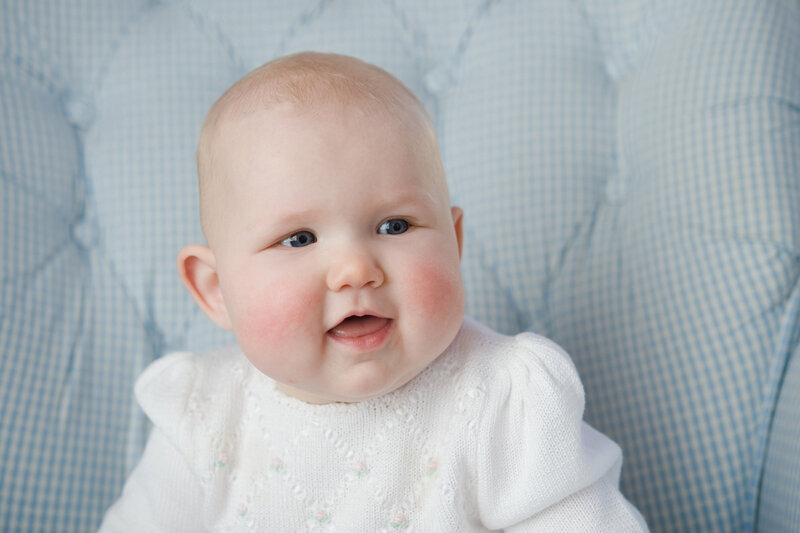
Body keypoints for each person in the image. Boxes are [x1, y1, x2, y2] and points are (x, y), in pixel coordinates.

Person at [100, 51, 648, 532]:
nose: (355, 271)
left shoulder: (502, 402)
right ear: (216, 290)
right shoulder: (201, 417)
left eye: (394, 226)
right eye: (299, 239)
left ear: (453, 244)